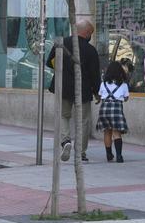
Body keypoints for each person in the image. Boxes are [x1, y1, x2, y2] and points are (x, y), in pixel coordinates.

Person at [46, 20, 101, 163]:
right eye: (91, 33)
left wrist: (62, 70)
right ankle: (80, 152)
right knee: (83, 121)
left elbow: (49, 62)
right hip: (83, 90)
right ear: (87, 33)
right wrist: (96, 92)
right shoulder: (91, 50)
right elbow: (95, 74)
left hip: (62, 88)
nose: (91, 36)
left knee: (63, 116)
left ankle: (65, 142)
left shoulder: (61, 43)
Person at [97, 59, 131, 163]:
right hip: (116, 109)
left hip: (105, 108)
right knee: (116, 132)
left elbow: (100, 96)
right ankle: (119, 156)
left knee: (107, 131)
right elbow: (126, 98)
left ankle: (108, 154)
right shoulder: (124, 85)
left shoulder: (103, 84)